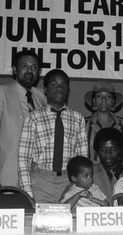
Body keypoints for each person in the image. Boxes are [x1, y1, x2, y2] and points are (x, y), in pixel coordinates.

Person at [0, 50, 46, 191]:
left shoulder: (42, 97)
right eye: (25, 66)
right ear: (15, 69)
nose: (30, 71)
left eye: (34, 67)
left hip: (40, 180)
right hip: (8, 177)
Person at [18, 69, 88, 202]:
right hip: (40, 182)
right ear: (45, 89)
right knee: (42, 222)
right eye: (54, 84)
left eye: (63, 85)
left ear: (68, 90)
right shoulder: (33, 118)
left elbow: (83, 159)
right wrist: (27, 192)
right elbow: (23, 158)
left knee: (69, 221)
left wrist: (80, 186)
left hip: (69, 182)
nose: (59, 88)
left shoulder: (78, 118)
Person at [84, 81, 123, 161]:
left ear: (113, 101)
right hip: (92, 172)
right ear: (94, 100)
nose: (104, 99)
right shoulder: (83, 124)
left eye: (108, 96)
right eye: (99, 96)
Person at [92, 128, 123, 203]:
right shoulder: (89, 173)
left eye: (113, 149)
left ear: (120, 149)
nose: (108, 154)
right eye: (103, 150)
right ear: (97, 151)